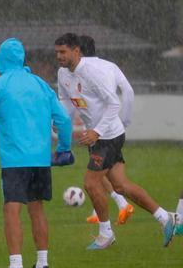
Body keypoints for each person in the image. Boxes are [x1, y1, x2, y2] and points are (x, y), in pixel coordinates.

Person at [54, 33, 176, 250]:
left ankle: (106, 233)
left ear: (76, 51)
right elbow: (67, 102)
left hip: (108, 136)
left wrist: (97, 132)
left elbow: (113, 103)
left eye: (63, 52)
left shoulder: (91, 73)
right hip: (99, 137)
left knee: (91, 183)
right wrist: (61, 120)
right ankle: (165, 217)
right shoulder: (63, 74)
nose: (59, 56)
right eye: (57, 52)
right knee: (120, 186)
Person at [0, 38, 73, 268]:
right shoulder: (40, 84)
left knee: (12, 209)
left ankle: (16, 264)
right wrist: (64, 149)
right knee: (37, 209)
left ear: (0, 59)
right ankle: (43, 262)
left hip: (15, 160)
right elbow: (64, 120)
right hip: (41, 160)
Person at [74, 35, 135, 225]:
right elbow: (128, 92)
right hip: (111, 128)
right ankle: (117, 205)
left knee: (97, 175)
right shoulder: (110, 66)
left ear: (79, 51)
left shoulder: (83, 71)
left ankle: (124, 208)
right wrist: (124, 121)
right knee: (105, 173)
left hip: (102, 132)